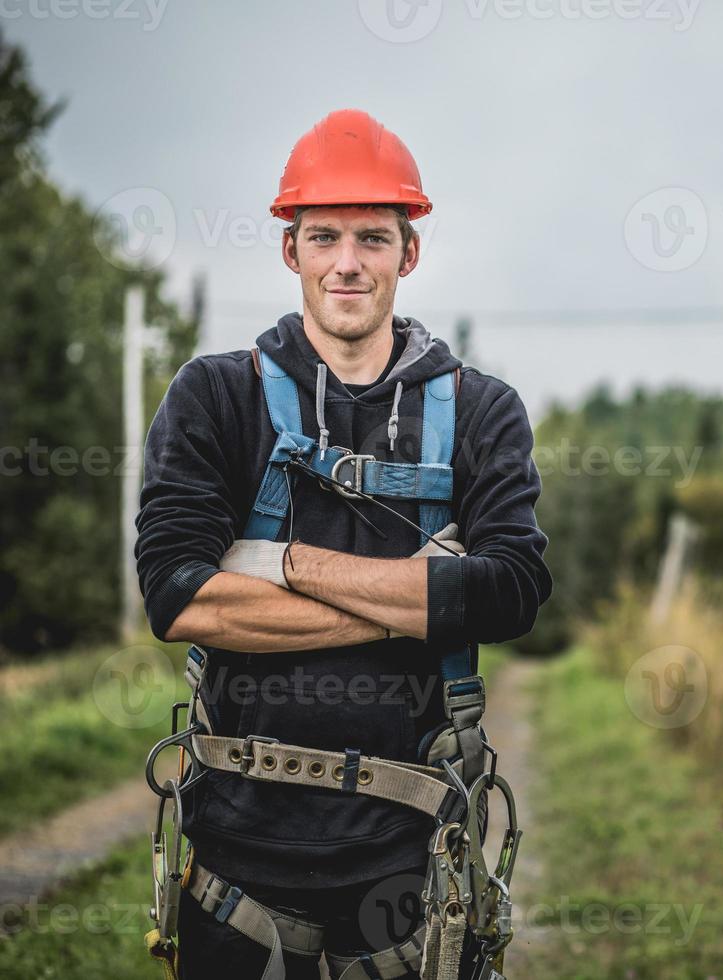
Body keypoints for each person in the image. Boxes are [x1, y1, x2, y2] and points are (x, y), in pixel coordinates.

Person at [135, 108, 553, 980]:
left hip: (409, 857)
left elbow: (512, 590)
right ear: (292, 250)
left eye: (373, 236)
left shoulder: (482, 411)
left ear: (410, 252)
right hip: (237, 858)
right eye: (324, 236)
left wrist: (284, 564)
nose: (348, 263)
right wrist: (426, 598)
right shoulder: (215, 396)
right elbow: (178, 596)